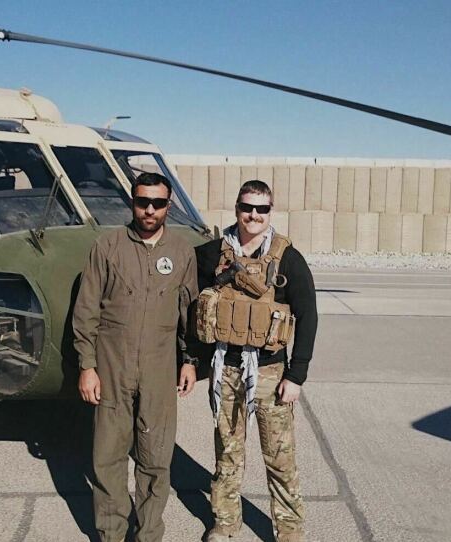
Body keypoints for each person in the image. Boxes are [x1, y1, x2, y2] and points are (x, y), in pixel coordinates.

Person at [72, 172, 198, 542]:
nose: (149, 210)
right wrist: (87, 366)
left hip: (159, 369)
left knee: (155, 459)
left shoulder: (181, 252)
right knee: (108, 458)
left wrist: (189, 360)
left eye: (158, 203)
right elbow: (87, 311)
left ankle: (148, 535)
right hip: (112, 367)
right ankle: (111, 533)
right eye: (143, 201)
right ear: (132, 202)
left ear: (168, 206)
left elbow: (188, 315)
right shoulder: (107, 247)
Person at [194, 180, 318, 542]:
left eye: (261, 209)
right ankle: (225, 523)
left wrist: (297, 375)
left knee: (279, 459)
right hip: (226, 369)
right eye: (247, 207)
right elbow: (193, 306)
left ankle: (290, 531)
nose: (253, 215)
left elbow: (308, 317)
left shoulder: (287, 258)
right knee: (228, 454)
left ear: (270, 212)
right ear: (236, 209)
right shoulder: (212, 254)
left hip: (270, 371)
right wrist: (191, 360)